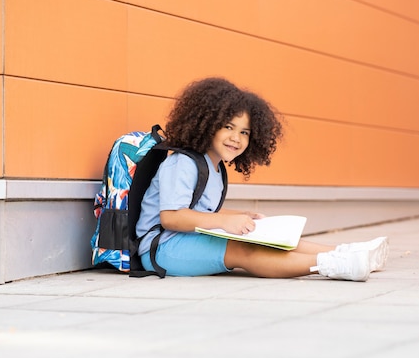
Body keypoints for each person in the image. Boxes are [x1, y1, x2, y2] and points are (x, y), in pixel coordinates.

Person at [136, 77, 388, 281]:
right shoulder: (183, 162)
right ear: (207, 124)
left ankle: (347, 252)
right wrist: (224, 221)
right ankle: (331, 264)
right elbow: (171, 217)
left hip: (186, 240)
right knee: (242, 250)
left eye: (244, 132)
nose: (236, 137)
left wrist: (238, 216)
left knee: (276, 239)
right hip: (161, 249)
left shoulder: (213, 167)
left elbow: (200, 210)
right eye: (228, 127)